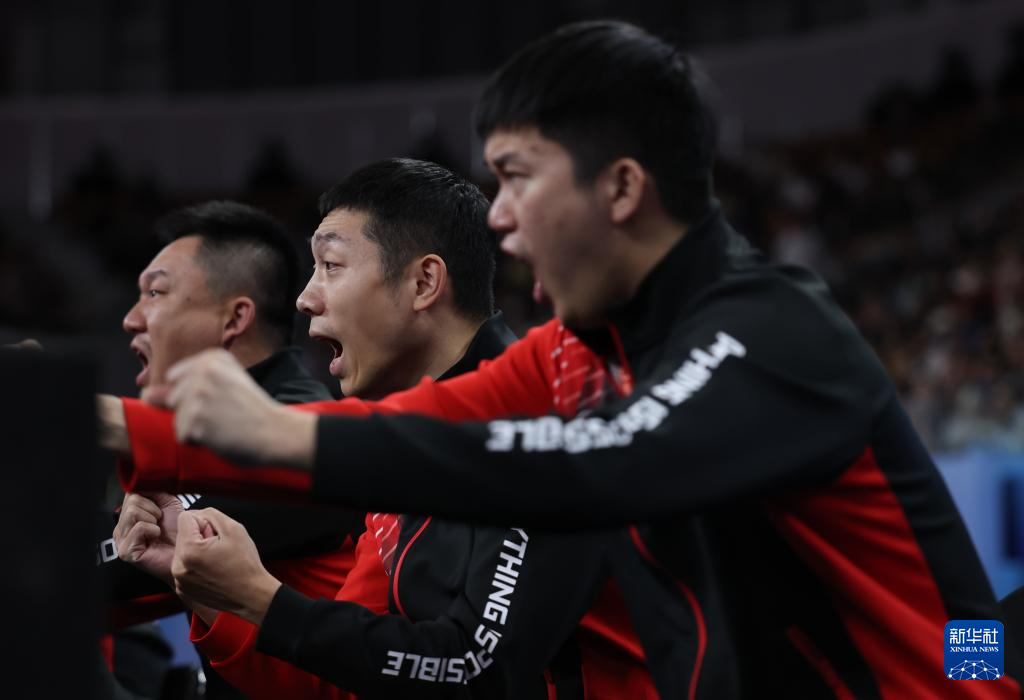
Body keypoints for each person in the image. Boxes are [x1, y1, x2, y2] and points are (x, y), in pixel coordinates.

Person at [105, 21, 1020, 698]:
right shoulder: (581, 354)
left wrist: (977, 671)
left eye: (517, 176)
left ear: (620, 187)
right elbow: (418, 425)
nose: (499, 217)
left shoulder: (766, 332)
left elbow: (598, 465)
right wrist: (129, 429)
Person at [121, 158, 656, 698]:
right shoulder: (399, 465)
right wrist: (211, 588)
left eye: (331, 265)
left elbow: (478, 671)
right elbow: (344, 681)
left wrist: (261, 597)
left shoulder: (539, 424)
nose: (305, 298)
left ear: (424, 282)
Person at [103, 200, 355, 698]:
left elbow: (102, 565)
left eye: (155, 293)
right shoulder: (202, 441)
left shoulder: (304, 429)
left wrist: (60, 406)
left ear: (234, 318)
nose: (131, 319)